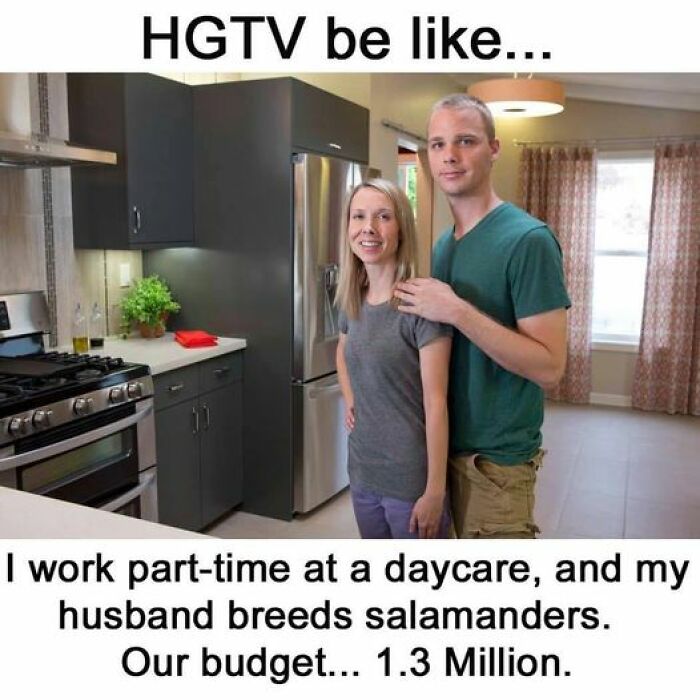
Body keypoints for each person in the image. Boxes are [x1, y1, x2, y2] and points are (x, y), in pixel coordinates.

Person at [394, 94, 571, 539]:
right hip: (440, 453)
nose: (449, 155)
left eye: (466, 141)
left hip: (495, 465)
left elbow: (550, 368)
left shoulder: (529, 240)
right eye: (437, 144)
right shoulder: (443, 245)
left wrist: (456, 310)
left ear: (493, 149)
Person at [335, 178, 452, 539]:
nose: (368, 228)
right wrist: (351, 398)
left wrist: (435, 491)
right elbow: (342, 351)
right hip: (363, 470)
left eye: (383, 217)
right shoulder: (352, 298)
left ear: (401, 229)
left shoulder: (422, 304)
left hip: (410, 479)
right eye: (358, 216)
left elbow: (436, 404)